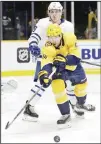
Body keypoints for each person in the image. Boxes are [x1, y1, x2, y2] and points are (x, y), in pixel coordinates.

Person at [23, 2, 95, 122]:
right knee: (43, 83)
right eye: (52, 11)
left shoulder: (68, 26)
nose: (54, 14)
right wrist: (33, 44)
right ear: (48, 13)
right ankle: (29, 107)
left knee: (70, 84)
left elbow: (70, 44)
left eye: (57, 11)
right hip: (47, 57)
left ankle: (75, 106)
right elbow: (34, 36)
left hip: (63, 60)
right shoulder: (43, 23)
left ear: (61, 12)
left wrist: (69, 58)